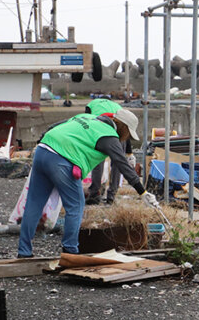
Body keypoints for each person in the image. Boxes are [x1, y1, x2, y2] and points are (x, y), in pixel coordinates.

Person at [17, 108, 156, 257]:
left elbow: (54, 127)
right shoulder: (109, 137)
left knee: (34, 203)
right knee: (75, 205)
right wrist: (142, 191)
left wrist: (43, 140)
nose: (127, 138)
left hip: (42, 150)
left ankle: (24, 251)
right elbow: (123, 165)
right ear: (123, 127)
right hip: (61, 159)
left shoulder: (87, 117)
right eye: (128, 134)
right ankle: (70, 252)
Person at [84, 98, 128, 205]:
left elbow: (87, 121)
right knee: (118, 162)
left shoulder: (91, 104)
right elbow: (126, 129)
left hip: (100, 129)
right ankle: (112, 195)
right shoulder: (118, 106)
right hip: (118, 130)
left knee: (97, 160)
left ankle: (95, 193)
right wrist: (129, 152)